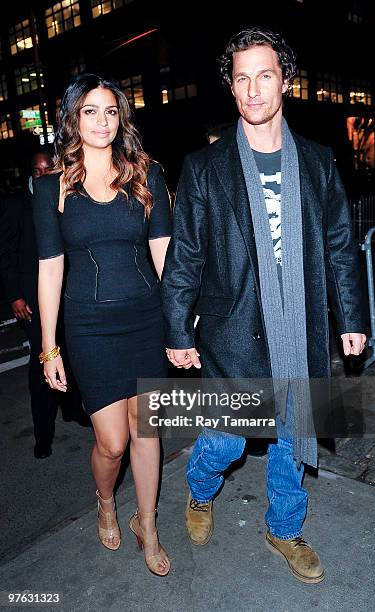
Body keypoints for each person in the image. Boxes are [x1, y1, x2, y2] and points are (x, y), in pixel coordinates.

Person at [161, 27, 366, 584]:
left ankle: (284, 525)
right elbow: (185, 258)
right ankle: (200, 492)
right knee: (227, 442)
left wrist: (351, 318)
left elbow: (341, 245)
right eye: (241, 78)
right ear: (231, 89)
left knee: (290, 438)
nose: (253, 89)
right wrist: (178, 331)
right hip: (234, 331)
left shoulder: (319, 162)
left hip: (301, 328)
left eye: (264, 75)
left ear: (285, 81)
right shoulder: (205, 169)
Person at [32, 74, 172, 576]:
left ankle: (148, 525)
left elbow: (163, 255)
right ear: (72, 119)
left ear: (121, 117)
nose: (102, 121)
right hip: (89, 327)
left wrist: (180, 326)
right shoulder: (52, 186)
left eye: (111, 111)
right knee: (112, 443)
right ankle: (106, 500)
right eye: (90, 111)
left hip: (147, 320)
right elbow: (50, 266)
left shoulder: (146, 174)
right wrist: (50, 346)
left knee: (147, 431)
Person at [0, 152, 59, 459]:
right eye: (37, 170)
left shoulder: (66, 196)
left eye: (48, 168)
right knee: (41, 361)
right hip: (33, 300)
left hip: (65, 294)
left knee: (71, 355)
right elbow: (6, 253)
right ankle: (43, 434)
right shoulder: (16, 204)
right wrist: (15, 296)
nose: (42, 174)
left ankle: (74, 410)